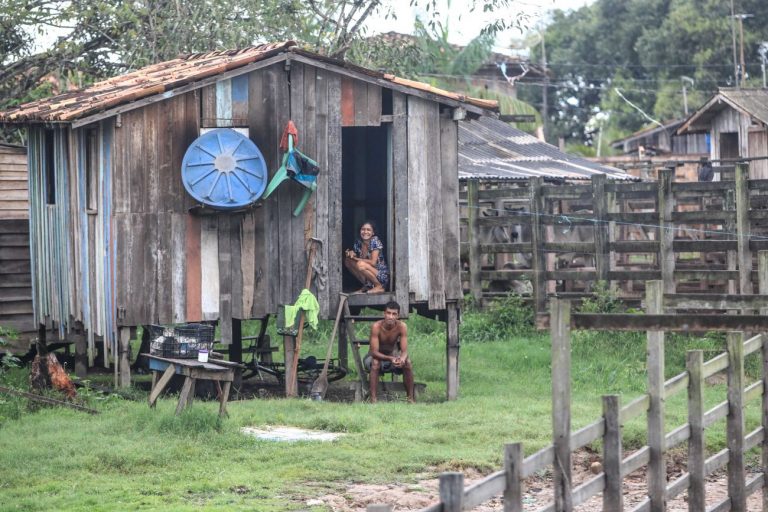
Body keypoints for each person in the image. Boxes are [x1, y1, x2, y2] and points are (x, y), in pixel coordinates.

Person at [364, 301, 414, 403]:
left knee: (408, 362)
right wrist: (391, 358)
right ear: (384, 314)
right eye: (388, 313)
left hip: (391, 358)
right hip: (373, 358)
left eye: (394, 314)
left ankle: (410, 398)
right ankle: (373, 399)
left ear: (398, 316)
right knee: (375, 363)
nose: (390, 317)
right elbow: (374, 352)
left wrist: (402, 359)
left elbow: (404, 351)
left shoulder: (402, 326)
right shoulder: (376, 327)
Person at [344, 220, 389, 294]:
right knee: (348, 261)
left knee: (360, 264)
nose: (365, 232)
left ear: (373, 233)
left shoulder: (375, 241)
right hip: (368, 273)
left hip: (380, 275)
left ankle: (379, 286)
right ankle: (368, 285)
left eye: (368, 230)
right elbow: (355, 255)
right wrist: (351, 254)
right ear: (360, 231)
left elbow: (373, 262)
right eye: (363, 229)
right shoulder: (358, 242)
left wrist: (356, 258)